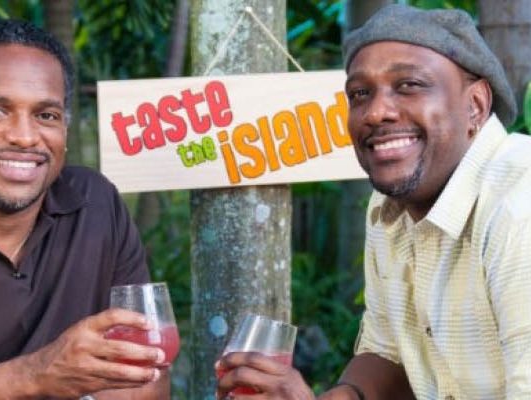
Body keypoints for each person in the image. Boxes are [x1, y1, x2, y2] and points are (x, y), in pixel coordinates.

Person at [217, 4, 531, 400]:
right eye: (360, 94)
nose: (376, 112)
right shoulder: (388, 209)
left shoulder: (518, 206)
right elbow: (387, 352)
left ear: (475, 105)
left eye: (409, 85)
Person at [0, 20, 170, 399]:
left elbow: (146, 373)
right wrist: (29, 377)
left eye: (46, 115)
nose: (25, 137)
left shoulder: (94, 204)